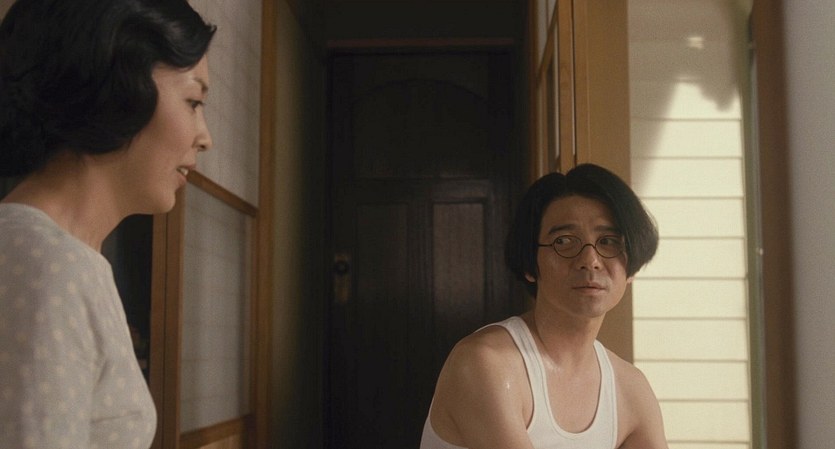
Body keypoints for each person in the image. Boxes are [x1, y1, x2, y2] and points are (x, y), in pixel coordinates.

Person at [0, 0, 215, 447]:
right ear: (120, 91)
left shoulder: (61, 257)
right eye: (193, 102)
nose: (205, 137)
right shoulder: (51, 269)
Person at [420, 164, 668, 448]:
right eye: (564, 241)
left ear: (631, 267)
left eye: (609, 241)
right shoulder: (487, 363)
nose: (590, 260)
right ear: (530, 264)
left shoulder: (631, 389)